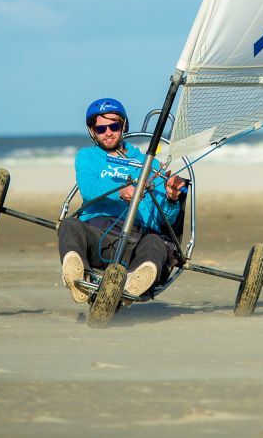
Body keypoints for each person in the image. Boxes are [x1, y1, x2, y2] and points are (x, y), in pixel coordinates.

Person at [58, 97, 186, 305]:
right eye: (101, 129)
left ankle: (132, 284)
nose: (108, 132)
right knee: (69, 225)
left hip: (136, 240)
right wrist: (120, 192)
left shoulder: (148, 164)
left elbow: (166, 218)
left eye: (114, 126)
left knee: (156, 243)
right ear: (92, 131)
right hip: (98, 233)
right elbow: (88, 189)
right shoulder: (87, 157)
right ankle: (79, 278)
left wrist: (171, 198)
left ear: (123, 125)